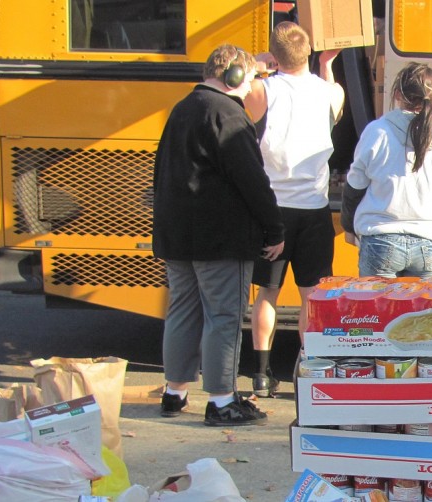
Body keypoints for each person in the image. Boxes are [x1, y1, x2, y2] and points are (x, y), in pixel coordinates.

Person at [153, 44, 285, 426]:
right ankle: (222, 400)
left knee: (182, 312)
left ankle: (174, 393)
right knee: (223, 316)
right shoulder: (229, 114)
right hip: (220, 239)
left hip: (176, 236)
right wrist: (273, 227)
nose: (252, 88)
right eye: (252, 78)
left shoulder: (182, 108)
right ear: (234, 77)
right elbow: (252, 180)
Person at [243, 21, 345, 398]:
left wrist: (256, 65)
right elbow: (333, 104)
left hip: (272, 211)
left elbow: (238, 93)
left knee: (266, 295)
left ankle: (261, 374)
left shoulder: (260, 90)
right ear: (309, 54)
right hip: (314, 210)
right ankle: (306, 371)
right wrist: (328, 65)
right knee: (310, 298)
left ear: (275, 54)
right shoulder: (331, 93)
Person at [340, 62, 432, 278]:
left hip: (380, 239)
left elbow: (355, 185)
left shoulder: (377, 131)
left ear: (396, 94)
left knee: (378, 312)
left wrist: (348, 225)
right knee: (425, 312)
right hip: (429, 242)